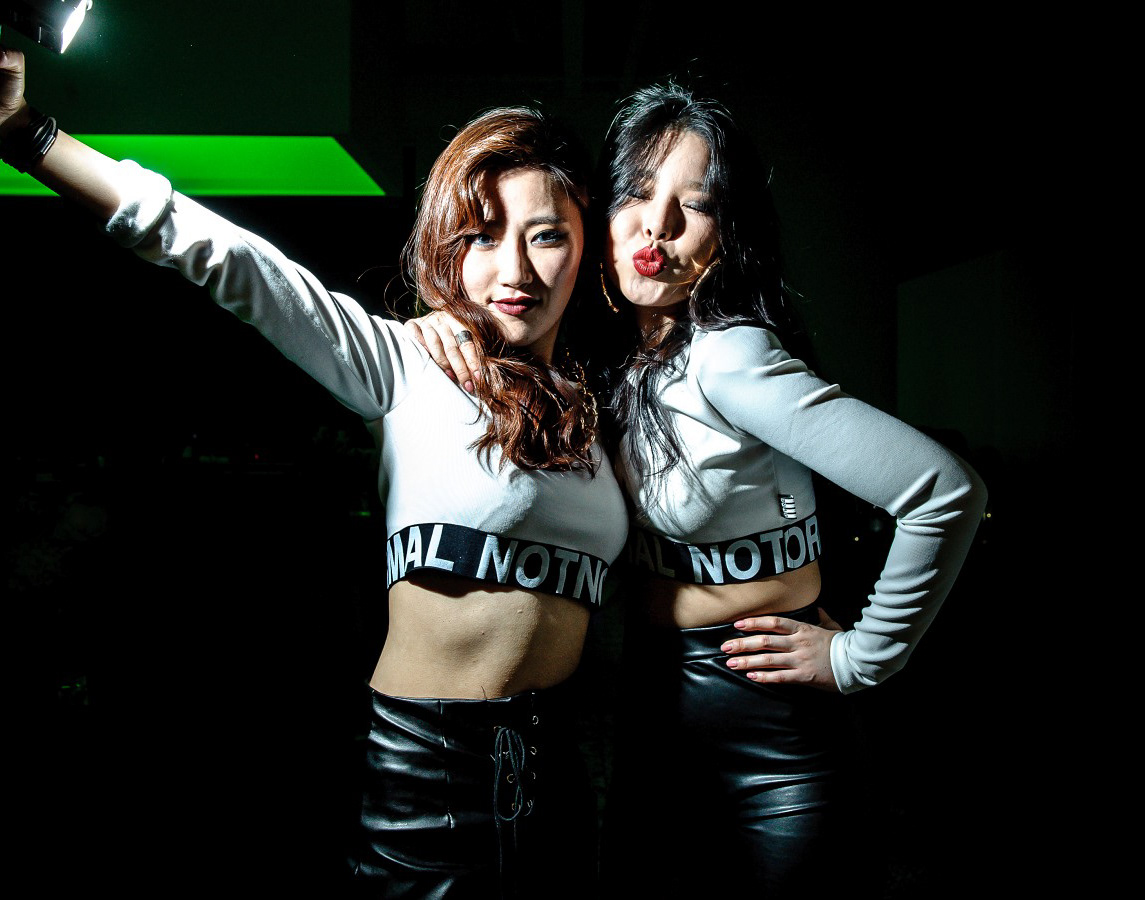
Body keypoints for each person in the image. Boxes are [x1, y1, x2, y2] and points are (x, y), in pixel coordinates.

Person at [0, 48, 630, 898]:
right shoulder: (408, 364)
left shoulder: (603, 408)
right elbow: (223, 255)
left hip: (564, 781)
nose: (514, 270)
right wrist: (26, 134)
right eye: (482, 236)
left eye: (545, 235)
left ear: (586, 244)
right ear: (448, 244)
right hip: (429, 783)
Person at [411, 82, 988, 896]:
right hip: (650, 713)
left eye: (699, 204)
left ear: (728, 232)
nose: (659, 226)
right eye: (638, 193)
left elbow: (946, 491)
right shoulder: (597, 363)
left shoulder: (729, 357)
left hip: (771, 740)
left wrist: (861, 658)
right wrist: (439, 323)